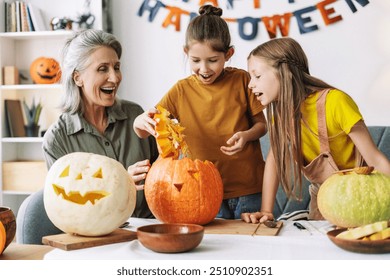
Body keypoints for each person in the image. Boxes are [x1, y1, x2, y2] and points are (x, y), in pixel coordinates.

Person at [16, 29, 158, 244]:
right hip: (95, 243)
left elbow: (166, 176)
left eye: (116, 67)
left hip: (148, 236)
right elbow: (68, 209)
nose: (115, 77)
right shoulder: (58, 139)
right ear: (78, 77)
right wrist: (120, 184)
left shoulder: (135, 116)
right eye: (103, 69)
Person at [133, 5, 267, 219]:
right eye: (196, 61)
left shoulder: (242, 80)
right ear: (186, 53)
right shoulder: (180, 91)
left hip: (249, 188)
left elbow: (262, 125)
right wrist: (139, 121)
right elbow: (147, 128)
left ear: (228, 54)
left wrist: (246, 136)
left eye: (213, 60)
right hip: (202, 190)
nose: (204, 69)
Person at [241, 37, 390, 224]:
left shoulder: (336, 102)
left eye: (257, 76)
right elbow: (275, 161)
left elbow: (375, 159)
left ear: (284, 72)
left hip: (362, 196)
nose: (250, 84)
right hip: (322, 198)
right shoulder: (280, 116)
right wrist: (266, 211)